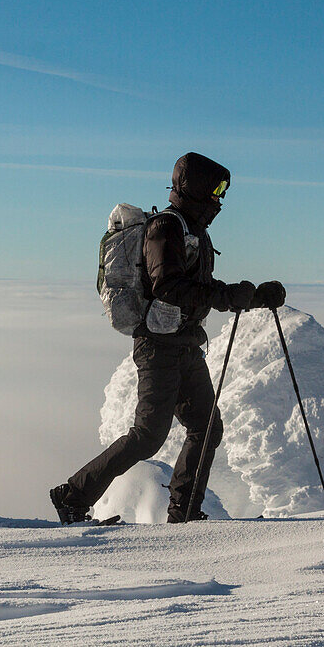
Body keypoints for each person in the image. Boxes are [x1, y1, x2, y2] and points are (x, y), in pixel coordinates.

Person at [51, 152, 286, 524]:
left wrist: (255, 296)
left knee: (206, 426)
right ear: (196, 188)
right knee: (148, 436)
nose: (220, 199)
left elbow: (202, 288)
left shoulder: (195, 231)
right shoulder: (166, 228)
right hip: (158, 346)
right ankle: (73, 495)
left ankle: (185, 512)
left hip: (185, 344)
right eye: (216, 189)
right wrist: (231, 296)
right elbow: (169, 287)